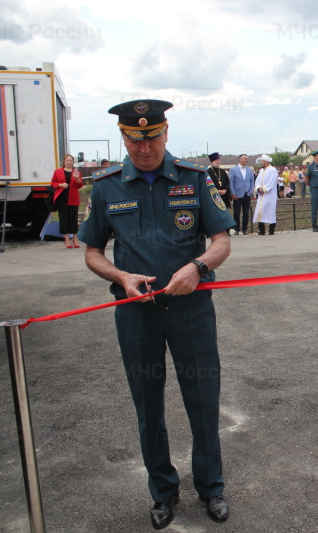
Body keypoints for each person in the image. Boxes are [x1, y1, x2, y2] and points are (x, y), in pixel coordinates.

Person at [77, 99, 234, 529]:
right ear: (123, 138)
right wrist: (120, 276)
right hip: (136, 312)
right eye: (134, 139)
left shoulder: (195, 179)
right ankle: (162, 492)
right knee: (148, 406)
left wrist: (198, 267)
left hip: (191, 310)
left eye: (151, 138)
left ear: (165, 134)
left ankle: (211, 488)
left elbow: (221, 240)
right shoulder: (106, 186)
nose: (143, 148)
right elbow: (92, 252)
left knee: (203, 402)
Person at [50, 153, 83, 248]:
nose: (69, 162)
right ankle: (66, 239)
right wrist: (60, 185)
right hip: (62, 198)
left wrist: (77, 179)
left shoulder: (77, 173)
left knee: (73, 218)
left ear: (73, 162)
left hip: (73, 198)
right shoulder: (58, 172)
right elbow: (53, 183)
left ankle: (75, 238)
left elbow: (79, 186)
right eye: (67, 160)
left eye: (70, 161)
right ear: (64, 162)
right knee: (64, 218)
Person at [229, 154, 255, 235]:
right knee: (237, 212)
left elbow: (251, 181)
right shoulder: (233, 169)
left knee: (246, 212)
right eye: (245, 158)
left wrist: (250, 191)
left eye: (247, 158)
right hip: (237, 194)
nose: (246, 160)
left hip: (246, 194)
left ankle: (245, 229)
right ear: (240, 159)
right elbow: (231, 182)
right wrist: (232, 193)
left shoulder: (249, 170)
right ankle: (236, 228)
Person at [254, 154, 278, 235]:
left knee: (270, 211)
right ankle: (261, 230)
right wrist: (258, 188)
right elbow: (257, 181)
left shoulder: (273, 170)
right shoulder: (261, 171)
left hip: (269, 195)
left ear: (266, 161)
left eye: (262, 161)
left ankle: (271, 230)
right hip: (261, 195)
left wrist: (264, 189)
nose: (261, 162)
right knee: (260, 211)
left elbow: (272, 182)